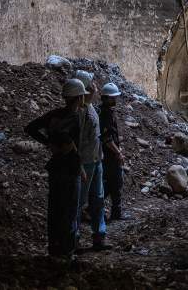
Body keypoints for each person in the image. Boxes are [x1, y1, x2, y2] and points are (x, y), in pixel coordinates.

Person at [26, 78, 87, 259]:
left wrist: (48, 143)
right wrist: (66, 146)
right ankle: (67, 252)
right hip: (70, 168)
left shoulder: (54, 115)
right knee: (69, 211)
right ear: (79, 98)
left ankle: (54, 250)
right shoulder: (76, 118)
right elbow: (67, 139)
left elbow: (30, 128)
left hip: (55, 167)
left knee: (55, 210)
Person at [73, 69, 110, 251]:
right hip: (85, 163)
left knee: (98, 199)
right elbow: (76, 142)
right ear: (87, 88)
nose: (96, 86)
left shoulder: (90, 107)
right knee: (78, 202)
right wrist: (78, 164)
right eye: (92, 83)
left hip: (96, 160)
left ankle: (99, 236)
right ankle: (73, 239)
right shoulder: (80, 112)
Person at [98, 82, 129, 221]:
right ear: (106, 98)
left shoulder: (107, 112)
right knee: (115, 183)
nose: (115, 100)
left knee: (112, 184)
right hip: (109, 156)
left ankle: (111, 211)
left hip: (109, 154)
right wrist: (118, 153)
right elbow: (107, 138)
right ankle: (115, 212)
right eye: (112, 98)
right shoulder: (104, 114)